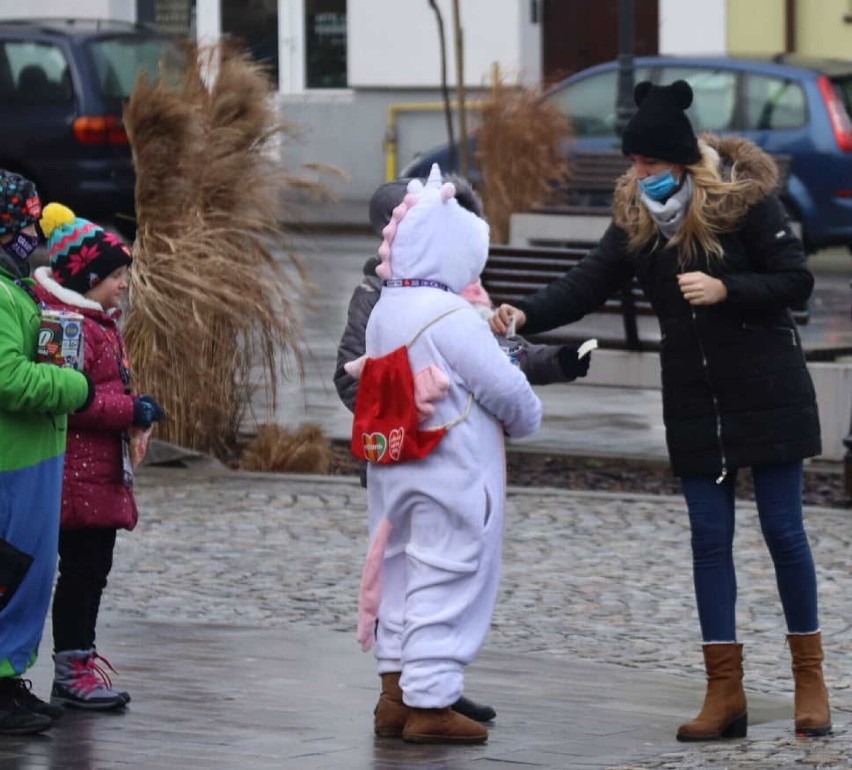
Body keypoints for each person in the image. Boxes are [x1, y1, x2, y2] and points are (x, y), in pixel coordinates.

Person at [490, 80, 831, 741]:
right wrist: (526, 311)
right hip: (696, 401)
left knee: (785, 534)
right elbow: (587, 281)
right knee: (710, 541)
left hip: (768, 392)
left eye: (647, 163)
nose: (636, 173)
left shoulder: (745, 202)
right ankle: (723, 692)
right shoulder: (637, 219)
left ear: (678, 160)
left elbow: (797, 279)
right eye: (633, 163)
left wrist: (726, 287)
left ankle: (809, 681)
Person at [333, 176, 590, 726]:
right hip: (450, 470)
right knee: (447, 574)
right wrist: (528, 419)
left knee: (400, 571)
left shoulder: (386, 308)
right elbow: (505, 388)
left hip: (394, 467)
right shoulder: (452, 316)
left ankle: (396, 693)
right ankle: (431, 702)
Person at [32, 203, 165, 711]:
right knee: (81, 573)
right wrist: (128, 408)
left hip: (97, 475)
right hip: (74, 478)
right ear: (85, 278)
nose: (123, 285)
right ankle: (71, 670)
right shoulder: (68, 327)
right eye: (113, 276)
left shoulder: (98, 321)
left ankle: (79, 662)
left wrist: (134, 416)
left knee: (93, 571)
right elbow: (68, 395)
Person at [0, 174, 95, 735]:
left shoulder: (14, 289)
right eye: (27, 222)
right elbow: (9, 379)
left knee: (26, 573)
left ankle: (10, 679)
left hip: (30, 457)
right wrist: (75, 387)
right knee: (13, 573)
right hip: (14, 463)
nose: (34, 232)